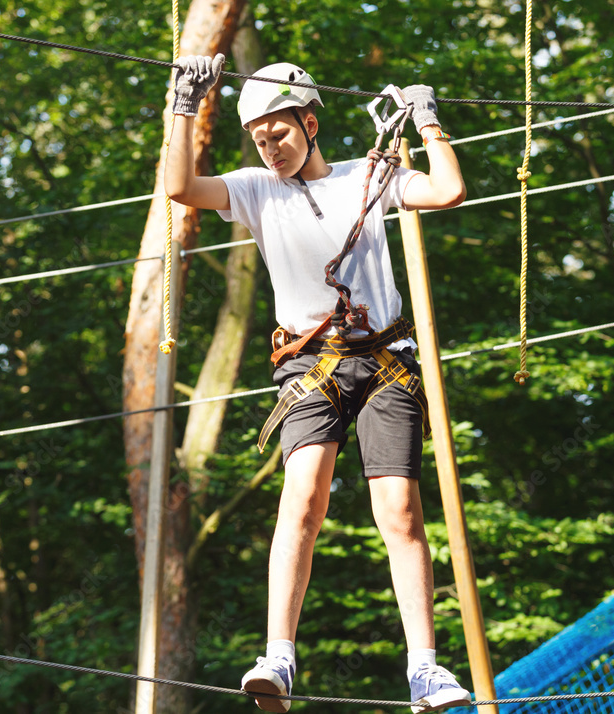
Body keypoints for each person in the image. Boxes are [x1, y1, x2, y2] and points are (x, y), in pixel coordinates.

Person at [165, 54, 470, 713]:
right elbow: (180, 187)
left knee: (400, 512)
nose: (269, 147)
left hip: (386, 362)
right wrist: (182, 108)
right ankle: (278, 656)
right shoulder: (254, 189)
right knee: (302, 500)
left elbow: (447, 191)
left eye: (279, 132)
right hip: (311, 368)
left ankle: (425, 670)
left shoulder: (369, 175)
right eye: (258, 138)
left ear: (309, 121)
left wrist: (429, 122)